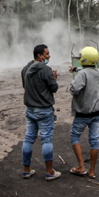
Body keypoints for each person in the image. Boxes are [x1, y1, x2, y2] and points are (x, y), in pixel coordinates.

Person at [21, 43, 61, 181]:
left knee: (29, 138)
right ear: (40, 55)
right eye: (47, 54)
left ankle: (26, 170)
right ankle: (49, 172)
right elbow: (54, 88)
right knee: (46, 139)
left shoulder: (25, 69)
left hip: (30, 109)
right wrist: (54, 78)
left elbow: (25, 86)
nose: (49, 56)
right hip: (44, 110)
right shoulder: (46, 70)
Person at [68, 46, 99, 179]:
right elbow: (87, 72)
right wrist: (76, 69)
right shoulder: (98, 72)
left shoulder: (82, 75)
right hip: (97, 111)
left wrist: (73, 79)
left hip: (83, 113)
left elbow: (74, 89)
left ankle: (81, 167)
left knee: (74, 137)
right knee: (94, 140)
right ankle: (92, 171)